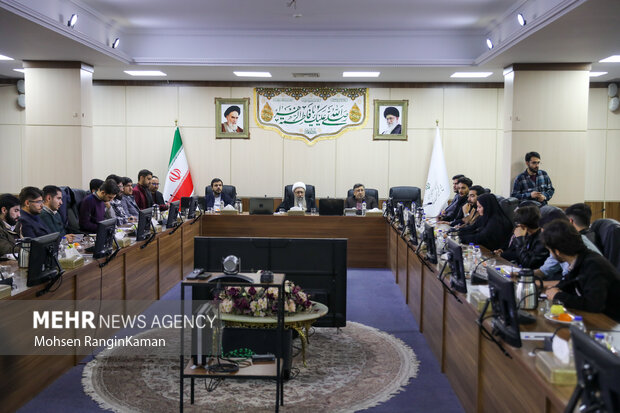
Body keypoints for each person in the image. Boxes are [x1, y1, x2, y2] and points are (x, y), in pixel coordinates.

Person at [543, 219, 620, 321]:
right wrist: (555, 289)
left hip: (611, 323)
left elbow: (594, 305)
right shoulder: (580, 259)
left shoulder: (593, 265)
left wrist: (558, 295)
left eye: (550, 250)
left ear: (557, 252)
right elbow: (568, 283)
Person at [534, 209, 601, 281]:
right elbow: (545, 270)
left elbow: (571, 284)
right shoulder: (559, 245)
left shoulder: (577, 248)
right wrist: (527, 274)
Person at [495, 205, 549, 269]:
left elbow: (528, 264)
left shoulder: (542, 240)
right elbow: (516, 253)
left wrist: (520, 239)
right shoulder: (527, 233)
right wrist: (502, 253)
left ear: (522, 225)